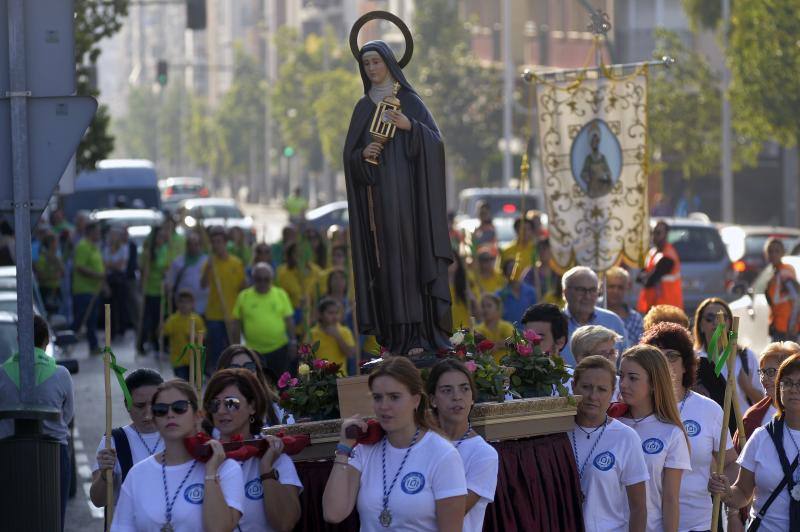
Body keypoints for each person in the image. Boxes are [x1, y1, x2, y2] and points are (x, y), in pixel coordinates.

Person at [343, 40, 453, 356]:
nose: (372, 68)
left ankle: (422, 333)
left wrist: (409, 127)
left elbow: (436, 144)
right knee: (387, 264)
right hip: (380, 205)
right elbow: (351, 158)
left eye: (377, 61)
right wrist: (362, 155)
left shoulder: (411, 103)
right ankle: (397, 336)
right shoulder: (363, 107)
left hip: (412, 204)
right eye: (366, 64)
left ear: (390, 63)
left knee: (414, 261)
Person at [322, 356, 467, 530]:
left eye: (394, 397)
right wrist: (344, 448)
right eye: (377, 398)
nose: (384, 406)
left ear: (416, 400)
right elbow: (333, 513)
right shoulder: (365, 449)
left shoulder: (442, 454)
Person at [640, 322, 739, 532]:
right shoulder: (635, 409)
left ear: (686, 364)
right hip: (647, 525)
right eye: (656, 355)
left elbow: (731, 464)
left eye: (671, 355)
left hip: (697, 524)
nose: (664, 362)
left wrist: (723, 482)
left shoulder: (708, 409)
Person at [111, 379, 244, 531]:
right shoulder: (137, 474)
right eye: (161, 410)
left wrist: (210, 473)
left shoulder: (226, 468)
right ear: (154, 419)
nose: (170, 415)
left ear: (198, 415)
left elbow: (219, 529)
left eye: (179, 407)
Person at [709, 354, 800, 532]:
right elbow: (742, 493)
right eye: (787, 382)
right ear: (779, 388)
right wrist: (725, 491)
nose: (793, 389)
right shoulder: (761, 437)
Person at [203, 369, 302, 531]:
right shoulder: (203, 457)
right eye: (214, 404)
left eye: (231, 403)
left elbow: (285, 524)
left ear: (252, 406)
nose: (221, 411)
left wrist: (266, 470)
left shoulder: (274, 454)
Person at [0, 315, 74, 530]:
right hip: (54, 455)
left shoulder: (2, 373)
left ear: (18, 339)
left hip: (9, 453)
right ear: (47, 341)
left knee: (11, 518)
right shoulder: (61, 374)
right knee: (53, 518)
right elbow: (68, 415)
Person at [616, 345, 691, 532]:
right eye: (621, 375)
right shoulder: (609, 424)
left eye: (633, 378)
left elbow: (671, 499)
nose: (623, 384)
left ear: (654, 383)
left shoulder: (671, 433)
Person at [569, 355, 648, 532]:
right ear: (574, 386)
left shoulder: (626, 437)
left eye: (602, 389)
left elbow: (639, 508)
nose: (592, 396)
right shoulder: (557, 434)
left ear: (613, 391)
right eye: (586, 387)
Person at [427, 359, 499, 532]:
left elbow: (452, 512)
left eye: (464, 389)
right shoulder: (421, 443)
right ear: (432, 400)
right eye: (447, 390)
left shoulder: (484, 454)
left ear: (473, 398)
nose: (457, 396)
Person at [90, 368, 165, 506]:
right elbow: (98, 501)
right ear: (127, 405)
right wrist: (105, 475)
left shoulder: (178, 436)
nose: (148, 414)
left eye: (155, 405)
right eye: (140, 406)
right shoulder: (113, 441)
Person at [693, 297, 763, 432]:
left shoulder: (745, 357)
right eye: (709, 318)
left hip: (741, 432)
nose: (716, 322)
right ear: (700, 325)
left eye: (723, 318)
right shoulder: (692, 359)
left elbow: (765, 401)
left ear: (730, 323)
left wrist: (748, 388)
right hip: (705, 431)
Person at [232, 263, 296, 383]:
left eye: (266, 279)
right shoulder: (244, 296)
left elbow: (289, 320)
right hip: (253, 351)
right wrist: (237, 348)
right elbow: (236, 323)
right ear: (253, 279)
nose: (262, 283)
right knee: (255, 384)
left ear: (271, 279)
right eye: (258, 279)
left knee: (280, 384)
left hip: (279, 349)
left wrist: (293, 341)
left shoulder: (280, 294)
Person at [735, 341, 800, 447]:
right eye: (762, 372)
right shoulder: (752, 418)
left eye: (770, 372)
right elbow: (737, 460)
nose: (764, 379)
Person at [561, 266, 627, 367]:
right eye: (581, 290)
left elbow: (625, 361)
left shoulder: (612, 321)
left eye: (592, 290)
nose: (587, 296)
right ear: (565, 292)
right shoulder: (554, 323)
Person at [202, 225, 247, 373]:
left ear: (225, 242)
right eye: (213, 242)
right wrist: (208, 268)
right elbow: (203, 285)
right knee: (215, 348)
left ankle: (233, 372)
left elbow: (243, 288)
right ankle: (216, 374)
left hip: (232, 313)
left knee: (233, 347)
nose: (216, 245)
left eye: (219, 241)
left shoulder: (236, 263)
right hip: (214, 313)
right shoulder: (210, 263)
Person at [216, 345, 283, 426]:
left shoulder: (277, 408)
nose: (243, 373)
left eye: (249, 366)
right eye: (234, 368)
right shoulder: (215, 411)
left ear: (258, 373)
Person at [72, 221, 105, 354]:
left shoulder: (94, 247)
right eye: (97, 232)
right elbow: (80, 267)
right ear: (90, 232)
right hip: (83, 290)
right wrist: (97, 275)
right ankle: (67, 341)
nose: (99, 234)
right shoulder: (83, 246)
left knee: (91, 319)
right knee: (81, 318)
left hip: (93, 290)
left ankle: (93, 345)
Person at [636, 221, 683, 313]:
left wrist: (646, 276)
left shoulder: (668, 256)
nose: (654, 236)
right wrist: (645, 276)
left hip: (668, 308)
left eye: (658, 233)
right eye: (652, 233)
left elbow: (649, 281)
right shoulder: (652, 252)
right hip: (653, 306)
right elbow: (639, 278)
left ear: (666, 235)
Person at [137, 225, 170, 355]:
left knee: (159, 318)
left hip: (160, 289)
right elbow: (142, 269)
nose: (161, 239)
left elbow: (167, 267)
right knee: (146, 318)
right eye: (159, 236)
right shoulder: (148, 251)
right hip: (149, 289)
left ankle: (157, 343)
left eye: (163, 236)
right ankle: (141, 343)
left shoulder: (165, 249)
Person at [161, 289, 206, 381]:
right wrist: (161, 327)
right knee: (182, 384)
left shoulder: (197, 319)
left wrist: (195, 337)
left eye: (187, 302)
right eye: (181, 302)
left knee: (193, 384)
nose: (184, 305)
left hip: (194, 359)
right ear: (177, 304)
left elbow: (203, 337)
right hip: (178, 359)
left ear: (193, 304)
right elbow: (163, 333)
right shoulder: (172, 319)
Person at [166, 230, 209, 317]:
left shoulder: (207, 261)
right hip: (184, 306)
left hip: (203, 305)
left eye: (196, 244)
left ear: (200, 245)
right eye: (190, 244)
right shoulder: (178, 261)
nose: (193, 247)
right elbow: (170, 281)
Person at [764, 237, 800, 341]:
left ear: (783, 253)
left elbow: (797, 298)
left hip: (786, 330)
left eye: (777, 251)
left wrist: (792, 326)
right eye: (770, 251)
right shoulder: (774, 273)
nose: (773, 254)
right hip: (777, 327)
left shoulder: (785, 272)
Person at [310, 297, 357, 375]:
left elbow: (351, 354)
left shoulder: (345, 331)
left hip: (339, 378)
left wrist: (338, 337)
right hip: (318, 380)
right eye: (330, 313)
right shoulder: (312, 333)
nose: (335, 316)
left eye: (336, 313)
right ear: (321, 314)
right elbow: (305, 359)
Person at [104, 226, 131, 339]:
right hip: (110, 279)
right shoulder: (106, 249)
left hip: (120, 280)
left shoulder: (124, 248)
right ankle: (111, 330)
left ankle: (121, 328)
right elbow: (105, 264)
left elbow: (121, 265)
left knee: (121, 305)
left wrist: (111, 264)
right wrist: (113, 265)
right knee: (110, 306)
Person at [605, 266, 644, 345]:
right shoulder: (591, 312)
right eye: (611, 286)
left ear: (627, 288)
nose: (615, 291)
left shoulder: (635, 319)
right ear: (604, 287)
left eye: (620, 287)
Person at [475, 294, 515, 362]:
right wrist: (500, 344)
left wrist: (492, 346)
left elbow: (514, 341)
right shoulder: (477, 329)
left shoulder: (506, 326)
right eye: (483, 306)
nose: (485, 309)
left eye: (489, 306)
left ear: (498, 309)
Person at [497, 259, 537, 327]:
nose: (514, 270)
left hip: (528, 335)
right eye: (511, 268)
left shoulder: (531, 292)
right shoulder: (499, 295)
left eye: (516, 267)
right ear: (504, 273)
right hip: (509, 335)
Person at [579, 122, 614, 198]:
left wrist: (608, 177)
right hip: (593, 188)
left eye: (596, 141)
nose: (595, 143)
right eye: (593, 141)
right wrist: (589, 180)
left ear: (599, 142)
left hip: (602, 187)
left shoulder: (603, 157)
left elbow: (608, 172)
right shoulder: (588, 158)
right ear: (591, 143)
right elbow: (582, 174)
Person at [35, 231, 65, 315]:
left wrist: (56, 260)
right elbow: (40, 276)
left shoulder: (57, 257)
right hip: (46, 291)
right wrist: (54, 277)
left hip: (56, 290)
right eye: (56, 242)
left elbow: (63, 272)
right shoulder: (42, 258)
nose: (57, 245)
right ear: (51, 243)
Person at [450, 253, 477, 332]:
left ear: (458, 262)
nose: (449, 262)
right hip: (445, 334)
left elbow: (478, 313)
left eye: (452, 259)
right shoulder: (437, 287)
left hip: (465, 332)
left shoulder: (467, 283)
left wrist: (473, 300)